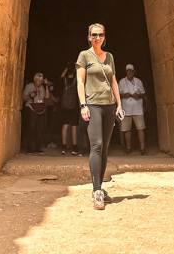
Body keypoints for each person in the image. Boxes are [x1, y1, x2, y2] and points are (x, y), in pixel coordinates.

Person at [76, 22, 124, 210]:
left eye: (100, 35)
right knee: (96, 145)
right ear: (89, 37)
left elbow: (113, 80)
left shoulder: (109, 56)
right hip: (93, 104)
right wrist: (83, 105)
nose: (97, 38)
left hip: (109, 105)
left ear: (104, 37)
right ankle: (96, 190)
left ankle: (100, 187)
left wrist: (119, 104)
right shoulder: (84, 56)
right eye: (94, 35)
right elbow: (80, 82)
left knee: (104, 148)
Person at [118, 63, 146, 155]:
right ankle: (128, 147)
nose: (129, 72)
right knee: (127, 129)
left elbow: (143, 94)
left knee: (140, 128)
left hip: (138, 109)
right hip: (126, 109)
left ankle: (142, 148)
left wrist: (138, 95)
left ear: (134, 72)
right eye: (128, 71)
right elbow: (117, 95)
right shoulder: (122, 81)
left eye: (131, 71)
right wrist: (124, 95)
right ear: (126, 72)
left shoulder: (138, 81)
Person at [23, 72, 50, 153]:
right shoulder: (29, 86)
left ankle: (37, 148)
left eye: (41, 80)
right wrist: (30, 96)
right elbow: (23, 97)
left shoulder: (42, 87)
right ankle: (30, 148)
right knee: (31, 128)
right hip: (31, 108)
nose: (40, 82)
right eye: (39, 80)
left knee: (39, 128)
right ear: (35, 80)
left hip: (40, 110)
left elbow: (47, 97)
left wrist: (46, 86)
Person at [60, 62, 79, 155]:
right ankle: (74, 147)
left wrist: (67, 67)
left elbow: (61, 76)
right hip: (74, 105)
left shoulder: (65, 80)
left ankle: (63, 147)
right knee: (74, 126)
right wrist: (76, 68)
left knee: (65, 125)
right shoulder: (76, 80)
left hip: (65, 106)